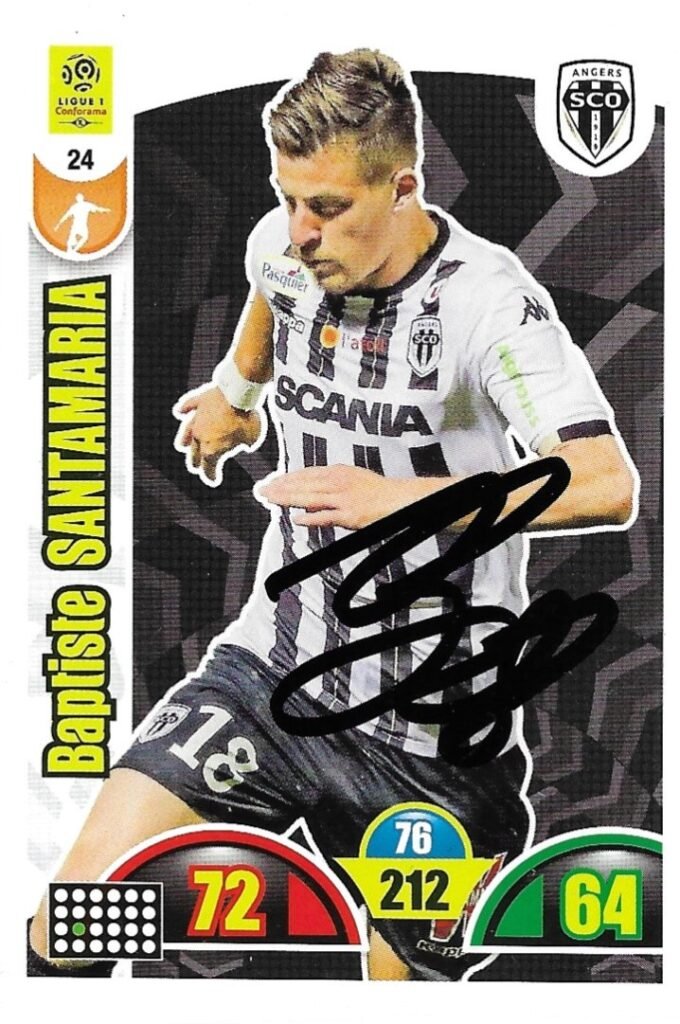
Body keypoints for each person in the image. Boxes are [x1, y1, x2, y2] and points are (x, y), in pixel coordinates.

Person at [30, 48, 636, 981]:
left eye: (328, 206)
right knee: (68, 924)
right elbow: (269, 300)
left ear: (403, 188)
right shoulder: (286, 250)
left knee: (390, 995)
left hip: (434, 737)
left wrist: (397, 504)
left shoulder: (489, 303)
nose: (301, 231)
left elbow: (603, 481)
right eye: (288, 200)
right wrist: (236, 395)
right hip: (275, 675)